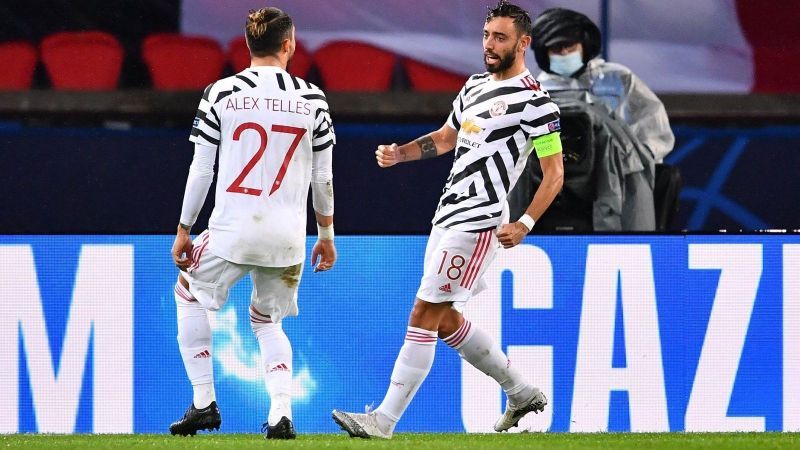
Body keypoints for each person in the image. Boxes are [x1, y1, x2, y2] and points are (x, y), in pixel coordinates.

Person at [332, 1, 563, 439]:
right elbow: (446, 137)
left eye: (500, 37)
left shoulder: (537, 103)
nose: (490, 45)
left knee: (424, 311)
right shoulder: (474, 85)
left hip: (479, 222)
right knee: (443, 318)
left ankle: (383, 421)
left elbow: (555, 173)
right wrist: (402, 154)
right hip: (446, 215)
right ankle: (521, 390)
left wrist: (527, 222)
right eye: (486, 36)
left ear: (523, 42)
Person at [168, 7, 337, 440]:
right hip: (287, 236)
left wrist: (185, 228)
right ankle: (281, 412)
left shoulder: (221, 92)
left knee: (187, 290)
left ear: (247, 44)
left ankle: (204, 402)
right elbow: (323, 177)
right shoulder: (313, 97)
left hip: (232, 231)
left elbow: (201, 169)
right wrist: (326, 235)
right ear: (289, 44)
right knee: (267, 321)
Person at [531, 7, 674, 163]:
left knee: (667, 177)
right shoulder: (535, 91)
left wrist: (639, 159)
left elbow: (653, 122)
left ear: (584, 45)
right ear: (544, 53)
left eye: (570, 46)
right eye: (557, 48)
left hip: (618, 166)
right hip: (558, 169)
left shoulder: (618, 78)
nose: (565, 53)